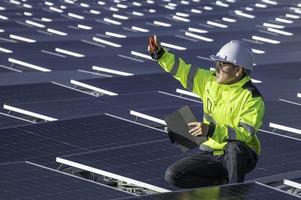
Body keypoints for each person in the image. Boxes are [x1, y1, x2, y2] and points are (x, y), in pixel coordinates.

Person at [148, 35, 265, 188]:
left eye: (222, 64)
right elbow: (182, 71)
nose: (217, 68)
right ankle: (220, 185)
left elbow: (244, 133)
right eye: (217, 63)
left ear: (238, 70)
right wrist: (160, 55)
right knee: (173, 175)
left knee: (234, 148)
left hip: (241, 156)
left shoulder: (251, 97)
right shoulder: (210, 81)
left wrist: (211, 130)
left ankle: (234, 194)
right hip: (211, 153)